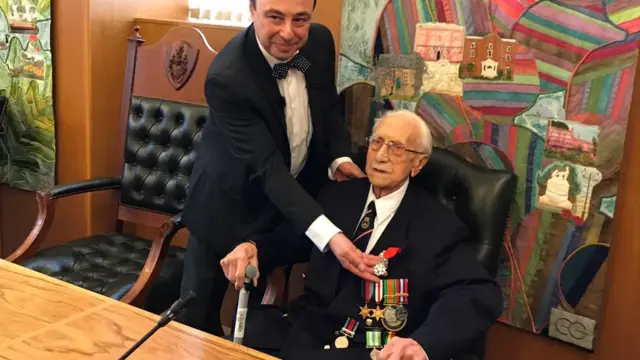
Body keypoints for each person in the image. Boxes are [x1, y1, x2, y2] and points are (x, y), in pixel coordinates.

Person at [179, 0, 380, 336]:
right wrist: (332, 237)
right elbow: (268, 169)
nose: (288, 33)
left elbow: (326, 105)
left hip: (283, 206)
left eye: (300, 19)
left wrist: (339, 157)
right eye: (275, 17)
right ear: (252, 11)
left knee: (257, 324)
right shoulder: (229, 78)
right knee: (195, 325)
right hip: (226, 206)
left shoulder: (315, 43)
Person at [244, 110, 503, 360]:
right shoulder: (337, 196)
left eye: (396, 147)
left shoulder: (436, 225)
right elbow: (293, 239)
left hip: (370, 345)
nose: (381, 155)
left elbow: (478, 292)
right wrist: (255, 248)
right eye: (377, 142)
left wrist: (423, 344)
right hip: (308, 330)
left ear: (418, 163)